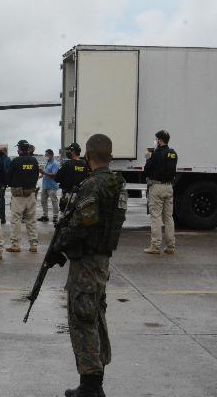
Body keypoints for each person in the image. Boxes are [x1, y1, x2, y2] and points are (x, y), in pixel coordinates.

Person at [44, 133, 127, 397]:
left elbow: (83, 223)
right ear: (111, 157)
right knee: (95, 317)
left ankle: (91, 386)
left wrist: (59, 247)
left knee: (83, 321)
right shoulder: (117, 184)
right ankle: (93, 382)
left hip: (87, 263)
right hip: (101, 259)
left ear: (89, 157)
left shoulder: (94, 186)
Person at [143, 130, 178, 255]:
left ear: (160, 140)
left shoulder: (157, 154)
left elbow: (147, 171)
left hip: (157, 187)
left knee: (156, 216)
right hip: (169, 187)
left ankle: (155, 246)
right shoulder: (173, 153)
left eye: (156, 139)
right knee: (168, 217)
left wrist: (148, 159)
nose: (156, 141)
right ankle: (170, 246)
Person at [6, 140, 40, 253]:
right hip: (31, 193)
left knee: (16, 220)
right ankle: (33, 244)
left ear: (20, 149)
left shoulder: (15, 161)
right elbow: (36, 176)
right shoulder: (34, 161)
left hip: (18, 194)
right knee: (31, 220)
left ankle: (15, 244)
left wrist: (12, 184)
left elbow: (8, 177)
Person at [56, 142, 89, 208]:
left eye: (69, 150)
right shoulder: (85, 165)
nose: (68, 152)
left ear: (73, 152)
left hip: (68, 198)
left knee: (65, 216)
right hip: (80, 198)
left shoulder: (67, 164)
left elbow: (57, 178)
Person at [38, 148, 60, 225]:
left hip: (52, 186)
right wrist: (40, 175)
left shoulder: (55, 164)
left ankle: (55, 216)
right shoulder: (47, 162)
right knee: (43, 201)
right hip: (45, 186)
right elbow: (45, 172)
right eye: (45, 155)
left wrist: (44, 173)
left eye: (47, 155)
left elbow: (54, 174)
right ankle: (45, 216)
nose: (46, 156)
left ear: (51, 155)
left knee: (54, 201)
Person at [0, 144, 12, 224]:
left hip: (2, 183)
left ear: (5, 151)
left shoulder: (7, 159)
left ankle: (2, 218)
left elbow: (8, 172)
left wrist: (7, 182)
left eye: (1, 151)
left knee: (1, 199)